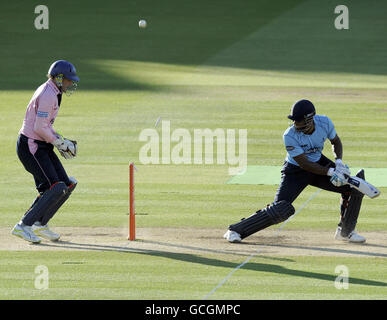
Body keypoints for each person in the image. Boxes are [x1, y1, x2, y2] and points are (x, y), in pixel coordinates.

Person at [224, 99, 366, 244]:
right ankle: (235, 230)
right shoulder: (289, 135)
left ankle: (346, 232)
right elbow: (305, 164)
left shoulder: (325, 122)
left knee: (353, 189)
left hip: (320, 163)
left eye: (299, 121)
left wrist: (339, 162)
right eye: (294, 121)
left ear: (310, 119)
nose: (296, 124)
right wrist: (331, 172)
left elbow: (335, 141)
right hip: (295, 171)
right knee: (280, 209)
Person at [11, 60, 80, 243]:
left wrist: (61, 140)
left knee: (67, 184)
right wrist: (59, 143)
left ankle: (39, 224)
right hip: (31, 146)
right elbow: (39, 127)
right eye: (68, 80)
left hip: (41, 144)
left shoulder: (55, 92)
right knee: (55, 187)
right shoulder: (48, 94)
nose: (70, 83)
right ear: (58, 78)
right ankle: (23, 225)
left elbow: (46, 126)